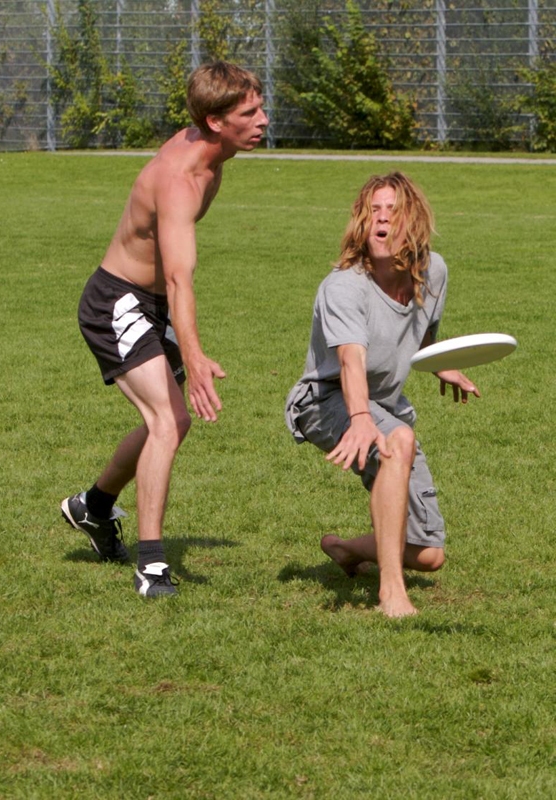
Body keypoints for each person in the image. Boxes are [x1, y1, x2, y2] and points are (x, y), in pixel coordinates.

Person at [61, 61, 268, 597]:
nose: (263, 119)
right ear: (215, 122)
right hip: (117, 303)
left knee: (172, 421)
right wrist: (194, 358)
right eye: (249, 113)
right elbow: (179, 278)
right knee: (169, 420)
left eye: (260, 107)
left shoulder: (211, 146)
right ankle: (151, 568)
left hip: (150, 303)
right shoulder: (180, 180)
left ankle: (94, 506)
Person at [285, 171, 480, 618]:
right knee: (398, 441)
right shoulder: (343, 286)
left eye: (393, 210)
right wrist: (360, 419)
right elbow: (350, 360)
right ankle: (391, 593)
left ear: (414, 221)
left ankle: (347, 549)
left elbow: (422, 330)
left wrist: (439, 362)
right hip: (325, 399)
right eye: (373, 210)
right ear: (361, 221)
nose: (382, 219)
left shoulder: (433, 272)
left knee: (428, 553)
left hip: (383, 406)